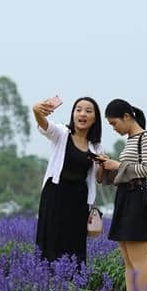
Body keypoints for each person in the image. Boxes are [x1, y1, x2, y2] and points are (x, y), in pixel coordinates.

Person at [97, 99, 147, 291]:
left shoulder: (146, 137)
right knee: (128, 261)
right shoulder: (130, 141)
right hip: (124, 198)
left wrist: (118, 165)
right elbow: (126, 171)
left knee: (139, 260)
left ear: (126, 116)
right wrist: (107, 165)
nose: (114, 128)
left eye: (114, 123)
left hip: (137, 201)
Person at [33, 96, 103, 265]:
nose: (82, 114)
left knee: (75, 242)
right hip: (55, 194)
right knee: (51, 239)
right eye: (78, 109)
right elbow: (44, 125)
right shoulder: (62, 133)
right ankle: (46, 281)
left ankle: (74, 284)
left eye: (88, 111)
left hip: (79, 199)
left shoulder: (96, 146)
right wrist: (37, 109)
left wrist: (102, 164)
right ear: (72, 114)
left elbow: (98, 179)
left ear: (95, 118)